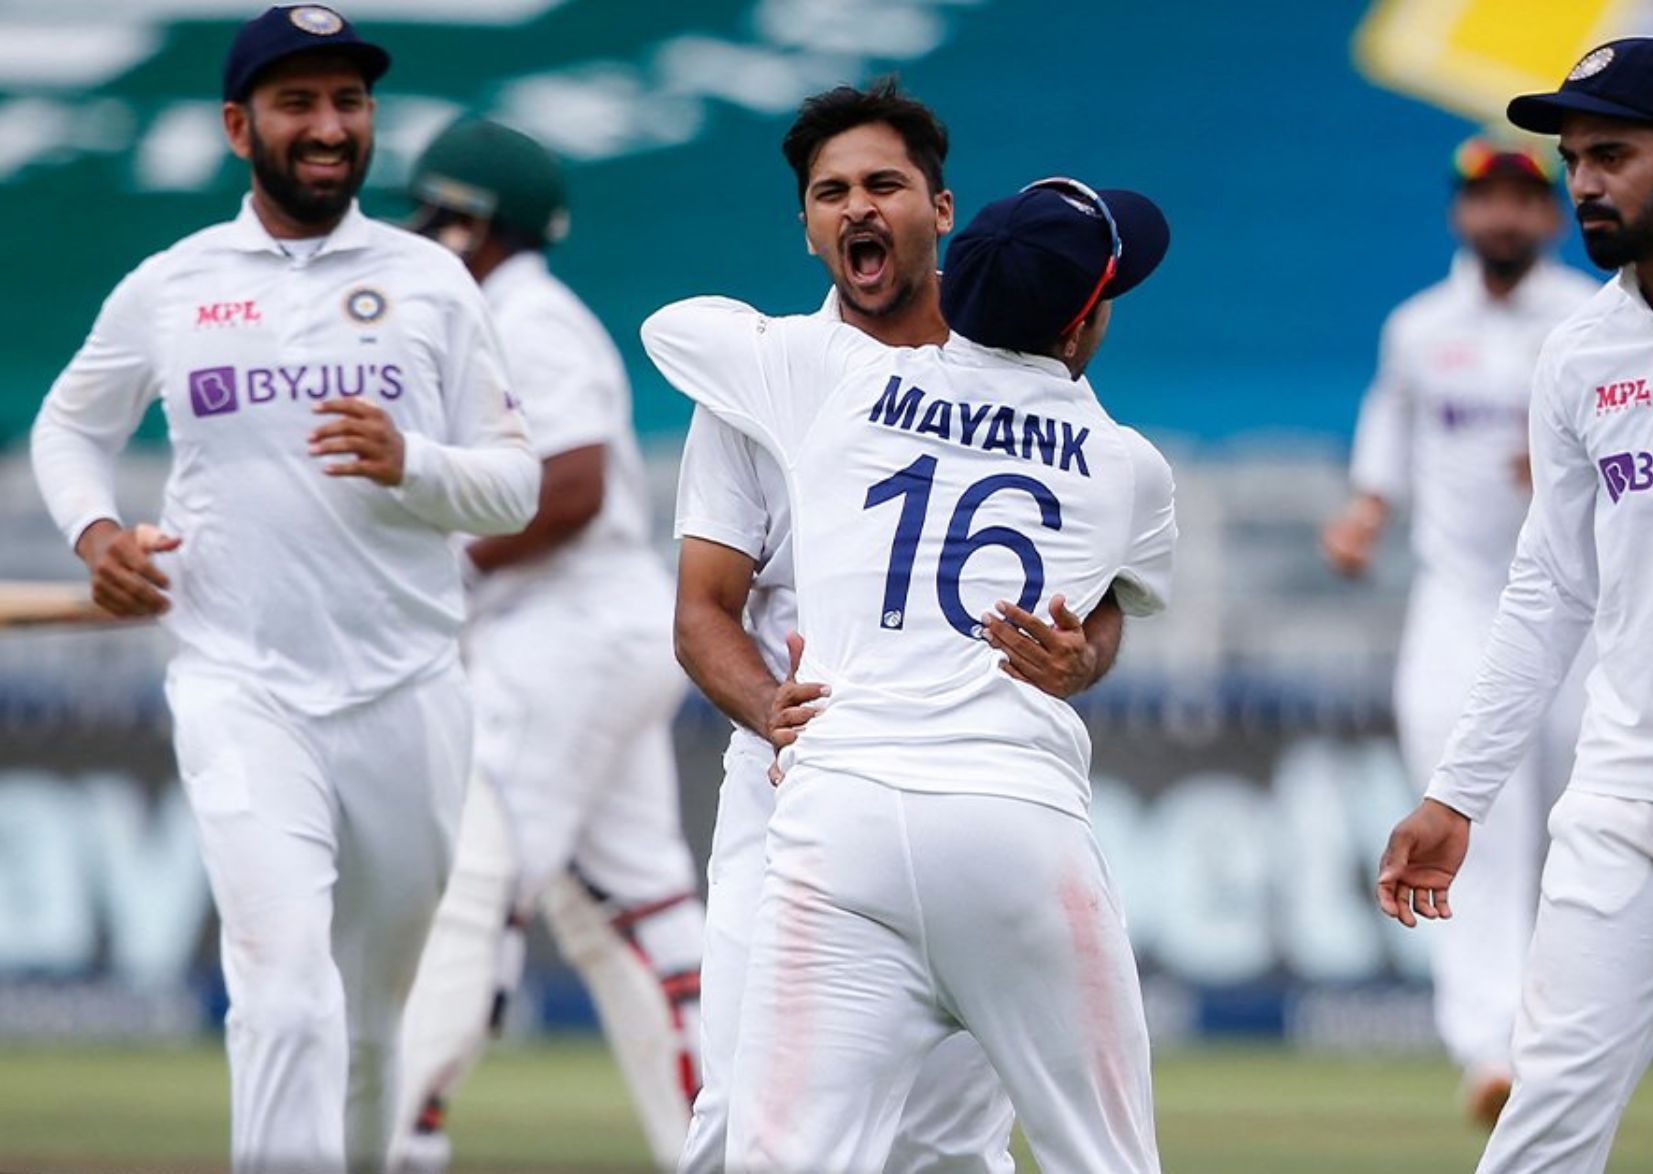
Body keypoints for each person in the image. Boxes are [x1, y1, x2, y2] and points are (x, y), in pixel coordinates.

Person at [27, 7, 539, 1172]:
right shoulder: (174, 284)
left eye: (347, 103)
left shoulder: (434, 283)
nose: (327, 127)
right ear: (237, 125)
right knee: (285, 1003)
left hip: (409, 696)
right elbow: (71, 425)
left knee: (368, 1030)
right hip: (240, 687)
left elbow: (512, 487)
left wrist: (415, 462)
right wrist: (95, 527)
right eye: (298, 103)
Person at [644, 175, 1176, 1172]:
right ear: (1079, 327)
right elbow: (1116, 605)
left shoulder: (829, 375)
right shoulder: (1126, 466)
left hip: (838, 823)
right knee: (1099, 1155)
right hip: (1015, 829)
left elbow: (675, 330)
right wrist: (1083, 652)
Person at [1377, 37, 1653, 1170]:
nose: (1584, 184)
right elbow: (1549, 585)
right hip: (1629, 797)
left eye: (1611, 154)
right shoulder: (1578, 352)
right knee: (1544, 1124)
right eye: (1573, 158)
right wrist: (1455, 792)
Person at [389, 120, 705, 1172]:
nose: (415, 232)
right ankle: (730, 1144)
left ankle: (399, 1136)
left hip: (564, 636)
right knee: (637, 910)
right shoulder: (503, 311)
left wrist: (451, 565)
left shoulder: (527, 316)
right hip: (593, 634)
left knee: (468, 879)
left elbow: (572, 487)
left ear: (473, 222)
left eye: (430, 213)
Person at [1321, 132, 1597, 1125]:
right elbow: (1389, 427)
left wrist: (1572, 461)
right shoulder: (1419, 328)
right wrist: (1365, 512)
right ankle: (1491, 1045)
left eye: (1524, 201)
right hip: (1460, 600)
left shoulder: (1590, 321)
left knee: (1580, 822)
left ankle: (1563, 1030)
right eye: (1487, 201)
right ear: (1460, 214)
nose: (1505, 218)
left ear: (1550, 218)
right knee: (1466, 808)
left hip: (1577, 608)